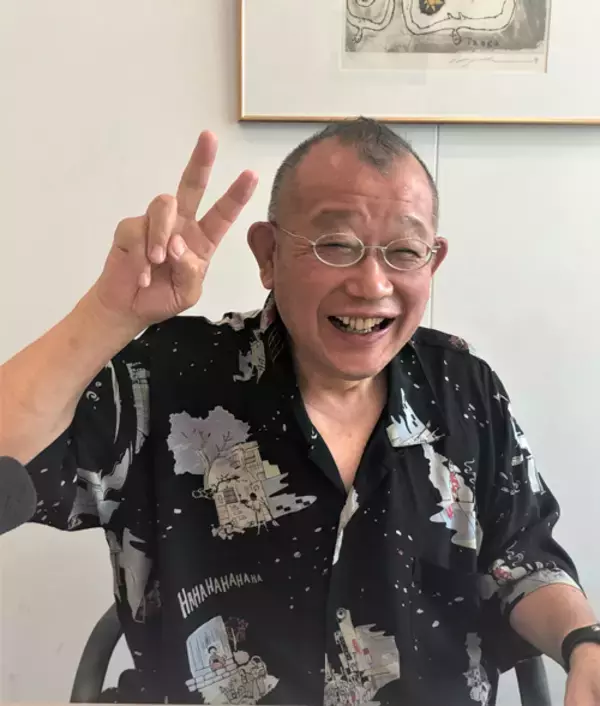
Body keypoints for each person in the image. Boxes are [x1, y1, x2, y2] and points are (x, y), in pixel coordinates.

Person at [1, 117, 599, 706]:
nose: (372, 284)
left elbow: (522, 561)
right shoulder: (167, 377)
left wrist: (583, 642)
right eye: (336, 245)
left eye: (403, 251)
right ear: (269, 254)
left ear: (432, 262)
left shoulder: (463, 387)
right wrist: (110, 312)